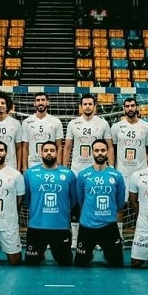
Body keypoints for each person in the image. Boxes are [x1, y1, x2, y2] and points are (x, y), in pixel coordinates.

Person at [63, 94, 114, 248]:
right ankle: (75, 238)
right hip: (77, 169)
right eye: (84, 104)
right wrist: (64, 169)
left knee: (97, 202)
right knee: (75, 204)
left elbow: (109, 147)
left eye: (90, 104)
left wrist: (111, 167)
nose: (87, 106)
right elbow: (67, 147)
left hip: (97, 169)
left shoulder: (103, 123)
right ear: (81, 107)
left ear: (95, 106)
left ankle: (99, 238)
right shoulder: (73, 123)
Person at [23, 141, 77, 266]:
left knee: (65, 262)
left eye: (52, 150)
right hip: (37, 227)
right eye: (46, 150)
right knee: (31, 263)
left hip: (60, 227)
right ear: (41, 153)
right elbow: (27, 198)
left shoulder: (68, 174)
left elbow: (73, 200)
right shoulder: (30, 174)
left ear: (57, 153)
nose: (49, 153)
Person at [74, 139, 125, 267]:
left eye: (103, 150)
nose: (100, 153)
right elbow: (80, 200)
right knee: (80, 263)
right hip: (87, 226)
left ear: (107, 152)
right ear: (92, 152)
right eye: (96, 150)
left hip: (109, 226)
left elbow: (119, 203)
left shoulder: (117, 176)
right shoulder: (83, 175)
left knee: (117, 264)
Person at [111, 97, 148, 238]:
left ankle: (142, 234)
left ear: (137, 107)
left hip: (141, 173)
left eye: (132, 105)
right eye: (127, 106)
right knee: (119, 206)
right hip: (122, 173)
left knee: (141, 206)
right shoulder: (116, 127)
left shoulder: (147, 127)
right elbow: (113, 149)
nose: (130, 108)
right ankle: (118, 237)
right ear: (124, 108)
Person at [21, 92, 64, 171]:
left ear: (47, 102)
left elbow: (59, 146)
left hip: (51, 163)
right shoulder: (26, 122)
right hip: (33, 163)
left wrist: (58, 165)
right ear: (34, 103)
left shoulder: (56, 122)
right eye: (38, 100)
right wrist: (24, 166)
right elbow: (25, 147)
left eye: (43, 100)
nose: (40, 102)